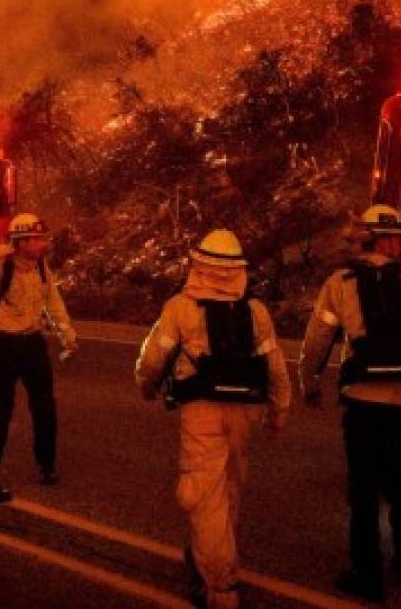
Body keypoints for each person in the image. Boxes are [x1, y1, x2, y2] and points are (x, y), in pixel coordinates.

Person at [299, 204, 401, 602]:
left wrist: (309, 381)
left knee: (363, 486)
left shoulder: (340, 282)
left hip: (362, 399)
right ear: (380, 240)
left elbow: (318, 340)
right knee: (394, 468)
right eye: (395, 238)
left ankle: (366, 574)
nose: (400, 245)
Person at [135, 229, 291, 609]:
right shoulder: (255, 311)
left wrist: (147, 387)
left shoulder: (181, 307)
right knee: (230, 490)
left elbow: (153, 359)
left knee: (205, 497)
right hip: (244, 413)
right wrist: (278, 412)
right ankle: (212, 558)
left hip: (201, 411)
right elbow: (276, 368)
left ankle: (220, 587)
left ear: (199, 265)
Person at [0, 213, 78, 502]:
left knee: (45, 408)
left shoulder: (42, 268)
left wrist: (67, 335)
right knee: (1, 411)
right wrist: (6, 248)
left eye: (42, 238)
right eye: (34, 239)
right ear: (19, 242)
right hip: (6, 344)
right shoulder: (3, 267)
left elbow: (54, 303)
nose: (41, 243)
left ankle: (47, 464)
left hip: (33, 343)